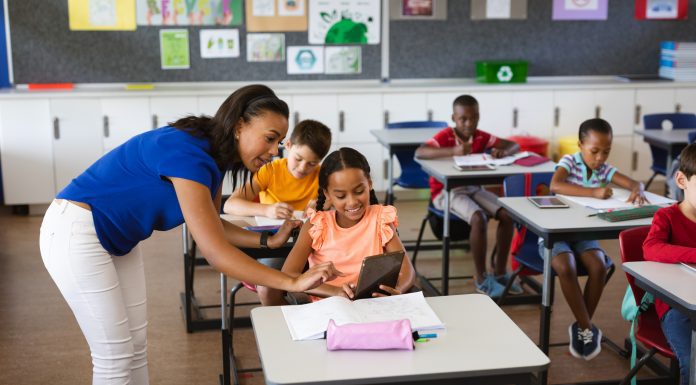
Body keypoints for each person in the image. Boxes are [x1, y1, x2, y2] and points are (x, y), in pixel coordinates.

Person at [38, 84, 342, 385]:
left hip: (118, 240)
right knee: (115, 356)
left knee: (136, 345)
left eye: (278, 141)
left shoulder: (213, 156)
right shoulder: (190, 155)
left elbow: (213, 224)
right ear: (239, 126)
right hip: (76, 231)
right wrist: (292, 281)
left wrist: (267, 241)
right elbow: (214, 251)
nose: (275, 151)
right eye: (270, 138)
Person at [263, 147, 416, 304]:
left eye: (359, 191)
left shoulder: (380, 219)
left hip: (371, 305)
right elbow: (289, 274)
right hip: (327, 308)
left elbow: (407, 271)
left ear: (369, 184)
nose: (352, 202)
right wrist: (334, 292)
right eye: (341, 196)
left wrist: (398, 290)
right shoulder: (316, 225)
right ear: (328, 194)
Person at [549, 118, 646, 361]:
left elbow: (634, 182)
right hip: (556, 231)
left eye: (606, 151)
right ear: (580, 144)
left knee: (599, 265)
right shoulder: (569, 162)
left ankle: (582, 328)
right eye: (594, 151)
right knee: (565, 265)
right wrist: (592, 192)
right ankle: (587, 327)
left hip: (584, 234)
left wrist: (638, 189)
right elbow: (555, 185)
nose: (600, 157)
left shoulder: (604, 169)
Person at [414, 94, 521, 298]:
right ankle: (481, 279)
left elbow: (512, 145)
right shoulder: (445, 136)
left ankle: (499, 273)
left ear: (478, 117)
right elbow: (420, 152)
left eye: (473, 118)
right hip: (446, 192)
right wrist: (453, 150)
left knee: (508, 215)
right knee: (478, 218)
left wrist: (503, 152)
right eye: (463, 119)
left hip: (472, 188)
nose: (468, 123)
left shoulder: (481, 136)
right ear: (454, 118)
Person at [643, 142, 696, 385]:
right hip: (676, 308)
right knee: (694, 363)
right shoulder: (667, 217)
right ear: (682, 180)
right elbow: (650, 248)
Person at [223, 119, 332, 219]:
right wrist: (266, 210)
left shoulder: (323, 175)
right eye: (298, 159)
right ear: (288, 145)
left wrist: (326, 203)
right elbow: (230, 205)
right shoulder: (269, 170)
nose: (302, 168)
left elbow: (341, 203)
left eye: (312, 163)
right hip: (270, 234)